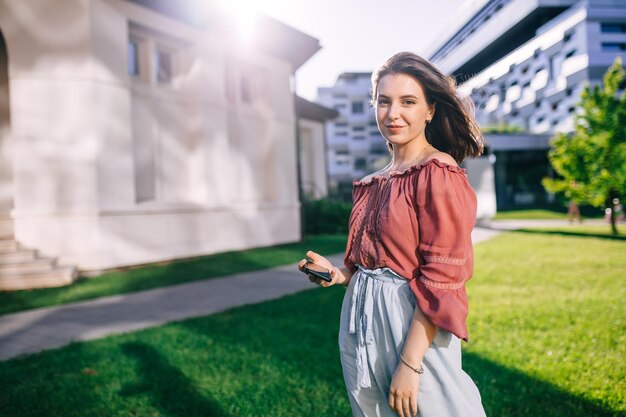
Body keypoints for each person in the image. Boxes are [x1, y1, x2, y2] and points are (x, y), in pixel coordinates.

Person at [298, 51, 486, 417]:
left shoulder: (438, 174)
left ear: (430, 110)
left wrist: (411, 363)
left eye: (408, 102)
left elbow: (442, 279)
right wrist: (337, 274)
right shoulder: (374, 181)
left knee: (436, 407)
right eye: (384, 101)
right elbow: (368, 259)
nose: (393, 113)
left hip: (410, 322)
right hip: (359, 318)